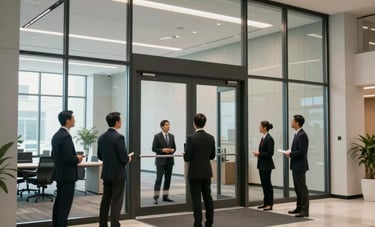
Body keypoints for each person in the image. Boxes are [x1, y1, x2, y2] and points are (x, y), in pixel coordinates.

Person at [98, 112, 131, 227]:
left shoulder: (102, 137)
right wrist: (128, 158)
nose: (121, 122)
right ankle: (115, 225)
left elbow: (100, 156)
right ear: (117, 122)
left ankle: (102, 225)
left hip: (106, 174)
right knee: (116, 201)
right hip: (118, 175)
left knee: (105, 200)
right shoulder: (119, 137)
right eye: (120, 120)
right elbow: (123, 158)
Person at [51, 110, 84, 227]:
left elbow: (53, 155)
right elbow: (68, 158)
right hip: (67, 176)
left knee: (59, 203)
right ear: (68, 121)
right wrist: (78, 158)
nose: (75, 120)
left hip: (60, 175)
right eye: (73, 118)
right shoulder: (66, 136)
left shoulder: (56, 135)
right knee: (65, 205)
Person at [184, 113, 215, 227]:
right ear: (204, 123)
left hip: (195, 173)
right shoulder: (211, 137)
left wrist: (185, 154)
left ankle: (198, 223)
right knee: (208, 198)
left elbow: (187, 157)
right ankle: (209, 222)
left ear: (194, 124)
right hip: (206, 173)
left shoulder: (191, 138)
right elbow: (212, 156)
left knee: (196, 200)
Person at [284, 114, 309, 217]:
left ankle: (304, 210)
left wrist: (291, 154)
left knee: (302, 189)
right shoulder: (297, 134)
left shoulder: (302, 135)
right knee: (297, 188)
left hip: (300, 166)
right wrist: (291, 152)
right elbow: (297, 150)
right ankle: (299, 208)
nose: (291, 122)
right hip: (295, 165)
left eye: (292, 121)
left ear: (297, 123)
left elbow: (302, 152)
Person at [152, 120, 176, 204]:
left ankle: (165, 196)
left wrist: (172, 150)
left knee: (167, 180)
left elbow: (174, 148)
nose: (168, 126)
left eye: (169, 125)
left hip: (169, 161)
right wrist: (163, 150)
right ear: (162, 126)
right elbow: (154, 148)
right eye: (166, 125)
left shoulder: (172, 136)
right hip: (160, 162)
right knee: (159, 179)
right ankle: (156, 197)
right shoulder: (157, 136)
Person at [253, 121, 275, 211]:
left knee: (267, 184)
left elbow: (270, 153)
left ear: (265, 127)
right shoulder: (263, 138)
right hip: (262, 164)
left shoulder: (269, 138)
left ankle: (269, 204)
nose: (259, 128)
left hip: (267, 165)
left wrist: (259, 154)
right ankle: (266, 203)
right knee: (264, 184)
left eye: (260, 126)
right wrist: (259, 154)